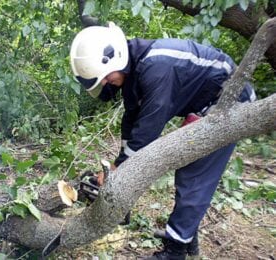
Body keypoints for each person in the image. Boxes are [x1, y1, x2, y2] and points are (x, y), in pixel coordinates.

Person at [69, 22, 256, 259]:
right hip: (205, 104)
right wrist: (116, 165)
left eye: (105, 78)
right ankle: (187, 237)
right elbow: (132, 120)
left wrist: (119, 169)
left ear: (114, 57)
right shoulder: (135, 70)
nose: (106, 83)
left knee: (194, 173)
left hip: (230, 100)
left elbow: (149, 127)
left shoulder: (156, 67)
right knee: (189, 164)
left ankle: (175, 251)